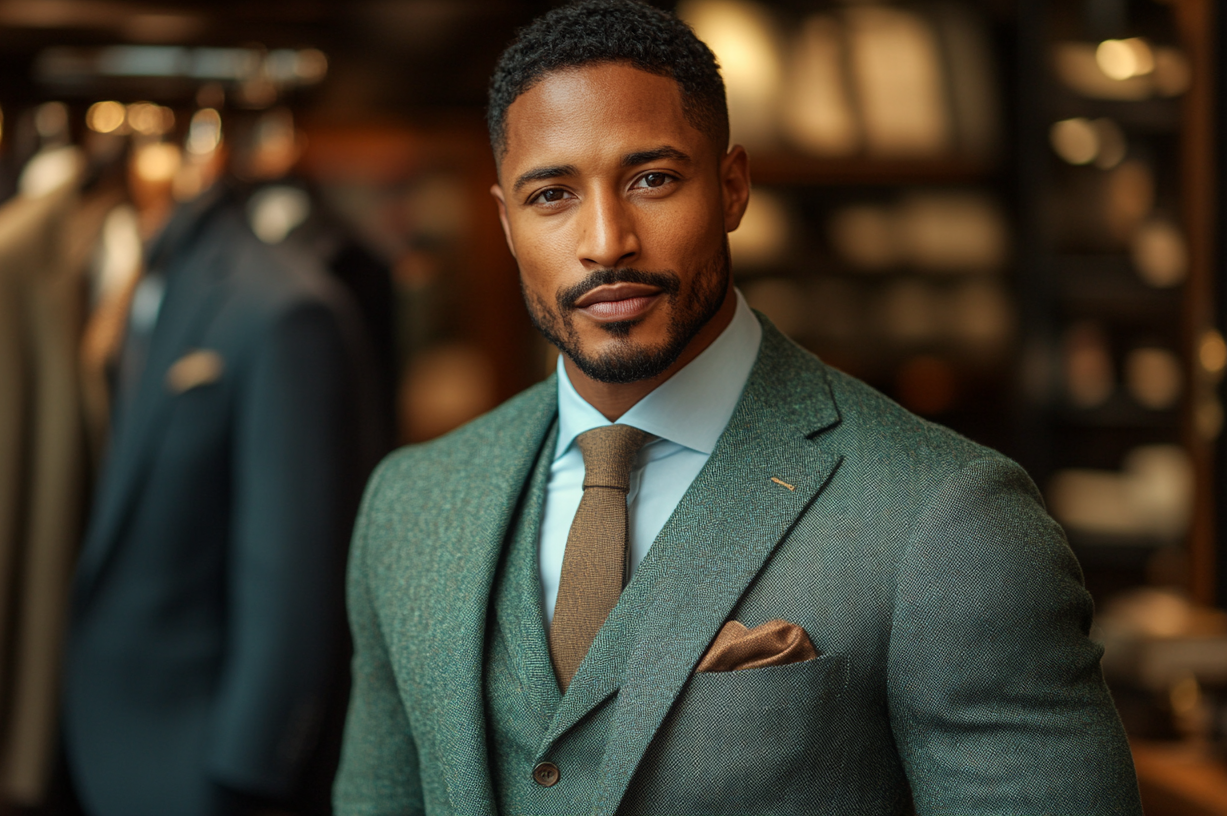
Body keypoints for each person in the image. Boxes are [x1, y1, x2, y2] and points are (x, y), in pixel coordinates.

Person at [333, 1, 1143, 813]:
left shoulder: (951, 518)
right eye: (552, 195)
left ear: (731, 188)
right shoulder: (410, 506)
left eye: (651, 180)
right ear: (507, 223)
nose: (606, 241)